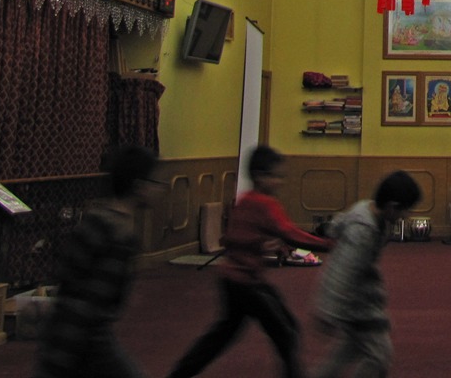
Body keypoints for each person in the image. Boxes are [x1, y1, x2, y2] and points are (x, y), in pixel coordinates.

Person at [167, 145, 332, 378]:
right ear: (259, 176)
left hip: (232, 279)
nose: (279, 182)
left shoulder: (244, 201)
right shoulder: (265, 204)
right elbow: (290, 233)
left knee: (222, 335)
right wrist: (329, 244)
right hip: (246, 283)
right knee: (284, 331)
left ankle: (179, 373)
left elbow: (231, 238)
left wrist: (259, 245)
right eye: (275, 176)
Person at [35, 145, 158, 378]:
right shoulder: (119, 235)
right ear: (139, 186)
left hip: (65, 335)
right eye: (154, 182)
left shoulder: (96, 219)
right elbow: (89, 305)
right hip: (80, 340)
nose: (158, 189)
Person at [311, 170, 422, 378]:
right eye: (405, 211)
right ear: (392, 206)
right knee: (379, 357)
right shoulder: (362, 231)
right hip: (357, 304)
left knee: (346, 352)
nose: (406, 216)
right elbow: (342, 271)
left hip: (361, 298)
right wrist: (329, 310)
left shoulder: (372, 214)